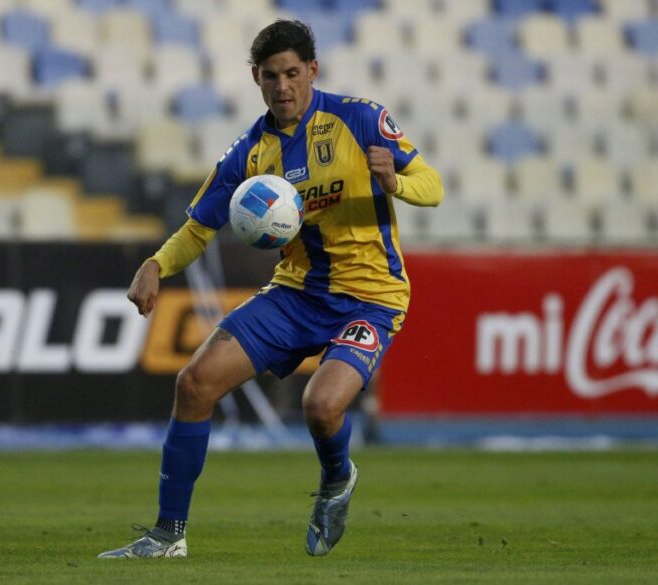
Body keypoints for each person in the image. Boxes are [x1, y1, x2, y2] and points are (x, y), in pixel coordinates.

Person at [98, 20, 443, 559]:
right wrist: (155, 265)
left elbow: (433, 186)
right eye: (270, 76)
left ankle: (336, 477)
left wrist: (394, 182)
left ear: (312, 70)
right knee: (194, 384)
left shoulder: (359, 119)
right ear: (255, 78)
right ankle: (168, 535)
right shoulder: (250, 153)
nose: (282, 86)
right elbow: (198, 228)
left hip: (371, 296)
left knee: (321, 406)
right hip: (296, 294)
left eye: (292, 73)